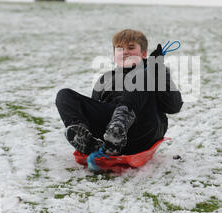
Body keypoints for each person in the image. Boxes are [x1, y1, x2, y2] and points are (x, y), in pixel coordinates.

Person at [55, 29, 183, 156]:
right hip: (110, 138)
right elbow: (96, 108)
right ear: (115, 54)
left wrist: (156, 71)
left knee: (140, 76)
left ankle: (118, 127)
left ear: (143, 53)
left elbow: (173, 106)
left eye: (131, 47)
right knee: (64, 95)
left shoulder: (153, 72)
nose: (125, 52)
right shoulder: (105, 79)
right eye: (120, 48)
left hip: (144, 129)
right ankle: (87, 142)